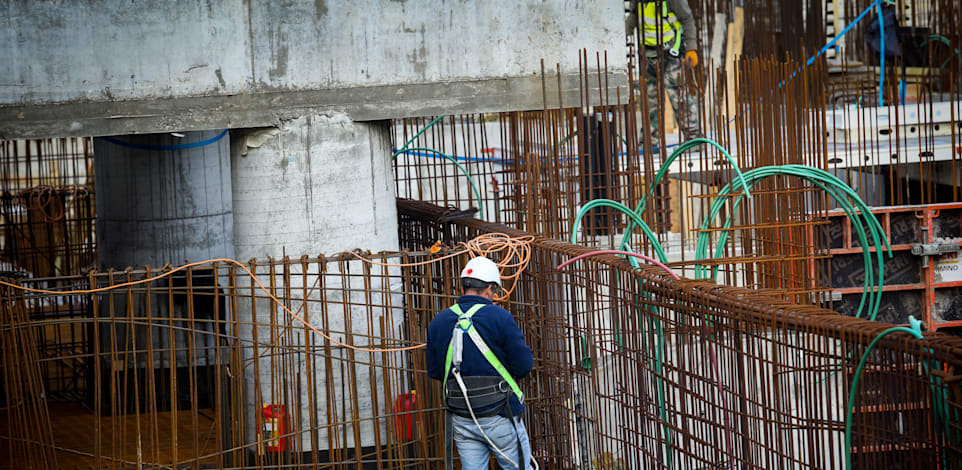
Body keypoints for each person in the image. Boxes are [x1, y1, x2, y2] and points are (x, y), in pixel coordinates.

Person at [426, 257, 534, 470]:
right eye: (494, 292)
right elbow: (523, 365)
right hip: (501, 416)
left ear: (464, 287)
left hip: (463, 419)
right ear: (489, 289)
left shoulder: (438, 322)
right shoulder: (499, 317)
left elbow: (436, 371)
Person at [627, 0, 702, 144]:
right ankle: (650, 140)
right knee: (649, 100)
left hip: (670, 54)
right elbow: (633, 18)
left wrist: (691, 47)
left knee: (679, 98)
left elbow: (687, 19)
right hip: (648, 55)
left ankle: (694, 139)